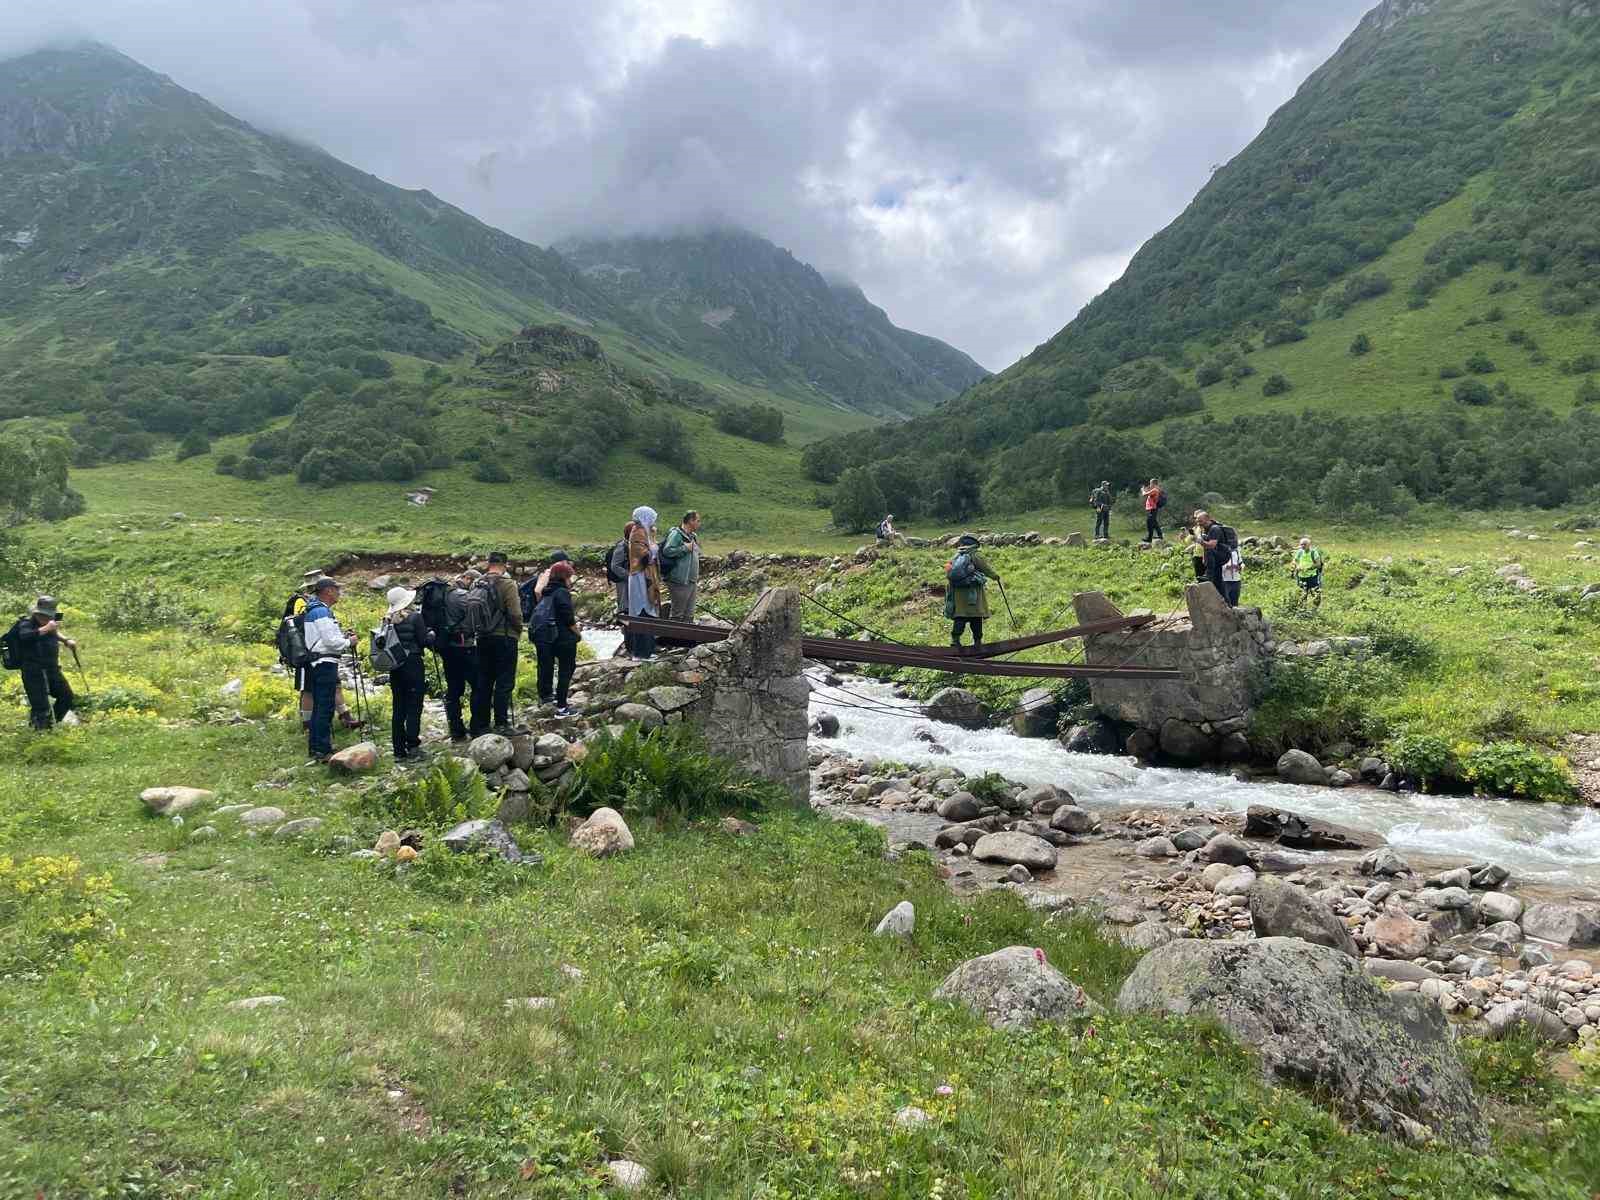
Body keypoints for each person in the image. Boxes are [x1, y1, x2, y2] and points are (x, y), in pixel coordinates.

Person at [294, 569, 360, 732]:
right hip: (312, 656)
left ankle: (343, 717)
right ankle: (311, 728)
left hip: (318, 655)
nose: (338, 592)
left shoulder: (313, 604)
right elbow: (325, 637)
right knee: (310, 692)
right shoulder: (310, 605)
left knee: (331, 689)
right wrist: (346, 642)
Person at [302, 577, 355, 762]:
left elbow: (327, 637)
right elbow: (330, 641)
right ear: (328, 591)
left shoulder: (315, 610)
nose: (339, 592)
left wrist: (341, 637)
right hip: (324, 663)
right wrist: (348, 642)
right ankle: (322, 750)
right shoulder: (322, 612)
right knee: (325, 707)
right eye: (336, 589)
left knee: (320, 706)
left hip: (317, 663)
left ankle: (317, 747)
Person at [380, 586, 434, 760]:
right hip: (413, 664)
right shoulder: (415, 617)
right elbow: (423, 640)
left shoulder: (386, 620)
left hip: (395, 666)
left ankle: (398, 750)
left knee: (399, 707)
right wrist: (431, 635)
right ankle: (413, 745)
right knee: (414, 705)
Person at [476, 552, 524, 735]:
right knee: (504, 681)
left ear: (489, 564)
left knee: (484, 681)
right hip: (504, 637)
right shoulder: (508, 584)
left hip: (481, 637)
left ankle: (481, 725)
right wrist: (518, 630)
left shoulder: (477, 583)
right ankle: (502, 724)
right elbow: (515, 613)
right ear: (504, 565)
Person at [13, 596, 77, 730]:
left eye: (48, 616)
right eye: (42, 615)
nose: (45, 618)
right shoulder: (25, 624)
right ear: (36, 613)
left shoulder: (52, 621)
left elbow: (54, 631)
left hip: (52, 669)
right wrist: (47, 628)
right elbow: (25, 637)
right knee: (41, 706)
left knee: (67, 696)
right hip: (33, 671)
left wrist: (66, 640)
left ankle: (50, 725)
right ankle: (39, 734)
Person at [438, 569, 486, 742]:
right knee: (477, 686)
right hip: (465, 647)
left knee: (453, 690)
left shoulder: (444, 594)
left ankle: (456, 730)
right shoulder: (462, 595)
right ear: (466, 578)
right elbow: (479, 616)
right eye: (473, 581)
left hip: (447, 648)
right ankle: (476, 727)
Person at [531, 561, 581, 715]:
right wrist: (578, 634)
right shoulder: (562, 593)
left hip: (545, 636)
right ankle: (562, 706)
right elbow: (568, 618)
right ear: (565, 577)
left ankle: (545, 698)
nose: (571, 580)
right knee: (566, 670)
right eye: (570, 577)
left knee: (545, 667)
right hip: (563, 637)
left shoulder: (546, 592)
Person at [943, 534, 999, 647]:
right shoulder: (975, 555)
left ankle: (955, 640)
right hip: (972, 593)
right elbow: (985, 568)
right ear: (974, 545)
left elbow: (948, 571)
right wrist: (995, 576)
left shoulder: (956, 556)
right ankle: (977, 642)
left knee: (960, 617)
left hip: (958, 595)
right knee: (976, 618)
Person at [626, 506, 663, 659]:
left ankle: (647, 651)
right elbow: (642, 555)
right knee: (641, 613)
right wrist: (654, 548)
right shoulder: (638, 533)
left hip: (646, 576)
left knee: (647, 613)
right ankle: (641, 653)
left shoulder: (645, 532)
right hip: (640, 577)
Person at [660, 510, 702, 622]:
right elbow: (667, 551)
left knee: (689, 612)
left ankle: (686, 637)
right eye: (698, 521)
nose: (699, 523)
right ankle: (672, 637)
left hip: (691, 580)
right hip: (679, 579)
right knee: (678, 612)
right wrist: (685, 548)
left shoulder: (693, 536)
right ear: (690, 521)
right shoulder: (676, 534)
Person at [1195, 511, 1240, 606]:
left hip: (1223, 554)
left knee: (1210, 549)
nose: (1198, 523)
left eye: (1200, 521)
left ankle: (1209, 575)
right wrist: (1204, 559)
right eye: (1197, 521)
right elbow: (1206, 546)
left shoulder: (1215, 529)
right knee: (1218, 581)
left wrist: (1199, 541)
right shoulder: (1205, 529)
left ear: (1207, 519)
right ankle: (1228, 604)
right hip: (1215, 555)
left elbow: (1211, 545)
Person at [610, 522, 634, 619]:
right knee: (625, 608)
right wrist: (629, 576)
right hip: (624, 583)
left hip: (631, 583)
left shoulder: (632, 545)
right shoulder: (621, 547)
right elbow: (614, 566)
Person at [1293, 537, 1326, 608]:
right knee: (1302, 594)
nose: (1303, 546)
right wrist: (1297, 566)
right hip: (1301, 577)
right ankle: (1303, 609)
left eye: (1304, 544)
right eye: (1301, 544)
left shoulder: (1314, 552)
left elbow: (1318, 564)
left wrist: (1309, 568)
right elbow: (1295, 561)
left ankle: (1316, 608)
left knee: (1316, 593)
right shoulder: (1299, 552)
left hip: (1312, 576)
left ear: (1309, 545)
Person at [1140, 479, 1166, 543]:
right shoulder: (1155, 489)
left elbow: (1145, 495)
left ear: (1153, 483)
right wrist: (1145, 490)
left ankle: (1149, 538)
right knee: (1154, 522)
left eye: (1150, 483)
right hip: (1152, 508)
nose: (1150, 485)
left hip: (1153, 508)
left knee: (1149, 523)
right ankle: (1159, 535)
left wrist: (1143, 490)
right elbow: (1148, 494)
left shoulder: (1155, 490)